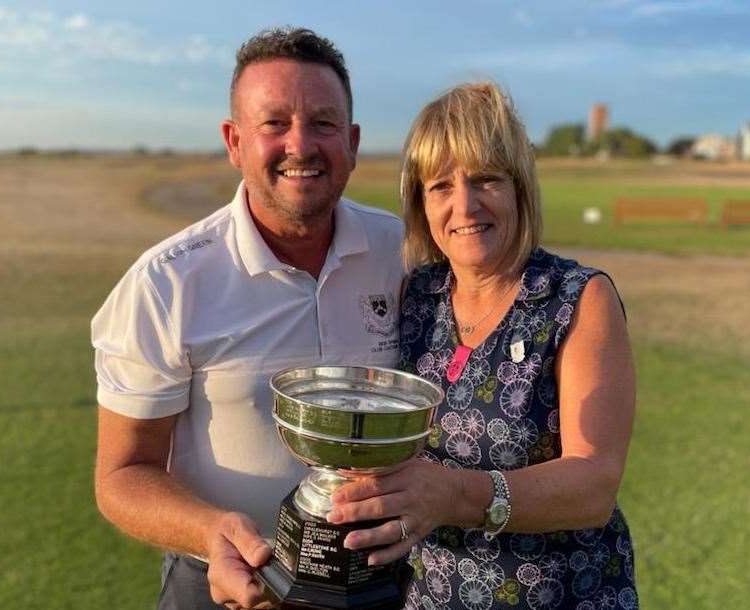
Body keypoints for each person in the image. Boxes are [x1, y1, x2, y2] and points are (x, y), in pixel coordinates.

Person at [91, 28, 404, 610]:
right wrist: (212, 531)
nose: (300, 145)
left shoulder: (402, 251)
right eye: (274, 123)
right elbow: (122, 475)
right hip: (220, 583)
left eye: (324, 124)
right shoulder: (167, 283)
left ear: (354, 142)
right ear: (234, 141)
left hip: (378, 581)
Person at [326, 82, 639, 609]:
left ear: (519, 186)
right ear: (420, 203)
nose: (464, 205)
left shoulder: (577, 298)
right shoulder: (418, 295)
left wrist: (453, 495)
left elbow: (594, 485)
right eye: (440, 186)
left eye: (486, 179)